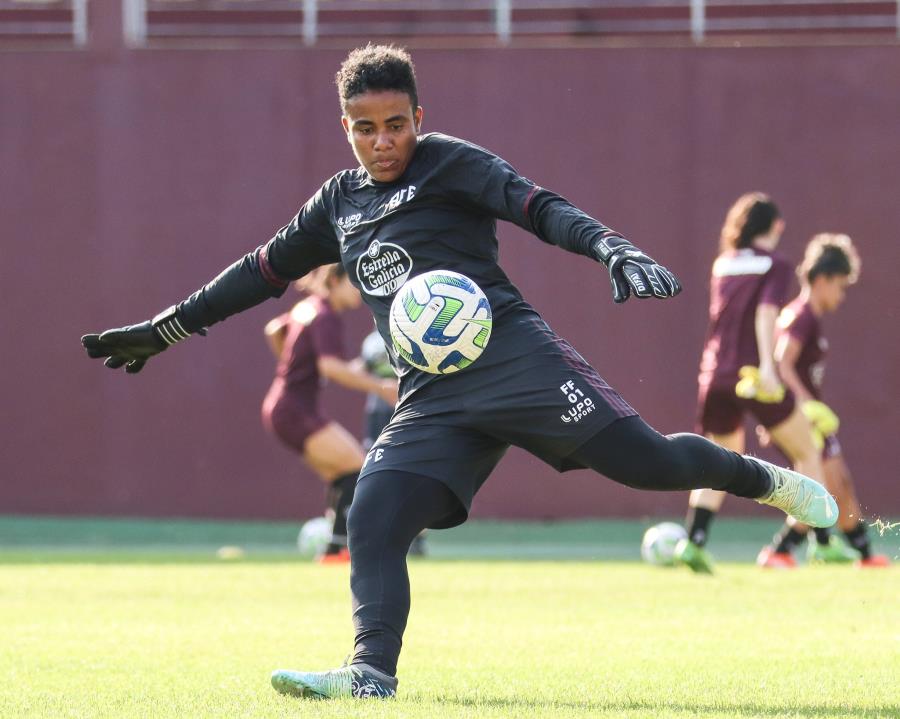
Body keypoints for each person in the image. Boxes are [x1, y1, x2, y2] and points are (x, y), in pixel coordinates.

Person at [81, 45, 837, 699]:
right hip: (434, 396)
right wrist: (166, 328)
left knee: (651, 465)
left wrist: (607, 245)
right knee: (373, 511)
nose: (384, 142)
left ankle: (769, 482)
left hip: (517, 361)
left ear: (418, 115)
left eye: (397, 124)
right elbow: (259, 272)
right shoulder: (337, 206)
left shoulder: (452, 163)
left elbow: (535, 206)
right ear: (345, 128)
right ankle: (370, 674)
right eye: (366, 128)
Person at [675, 193, 834, 573]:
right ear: (777, 226)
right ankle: (807, 540)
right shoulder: (777, 264)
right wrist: (767, 365)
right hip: (753, 375)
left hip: (714, 374)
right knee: (808, 451)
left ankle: (693, 542)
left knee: (719, 463)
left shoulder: (723, 263)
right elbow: (765, 313)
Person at [757, 234, 889, 567]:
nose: (841, 296)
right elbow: (781, 361)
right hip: (805, 419)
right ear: (822, 279)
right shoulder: (801, 315)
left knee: (833, 484)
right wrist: (804, 407)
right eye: (840, 286)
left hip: (802, 417)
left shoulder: (804, 316)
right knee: (824, 485)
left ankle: (843, 551)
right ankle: (788, 551)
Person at [261, 264, 397, 562]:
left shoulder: (308, 308)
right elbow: (330, 367)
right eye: (354, 283)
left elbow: (274, 329)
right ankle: (338, 548)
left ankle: (334, 550)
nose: (360, 290)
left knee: (342, 473)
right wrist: (381, 388)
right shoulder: (325, 316)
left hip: (286, 406)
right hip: (294, 410)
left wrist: (291, 368)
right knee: (358, 467)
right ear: (334, 281)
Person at [359, 328, 427, 556]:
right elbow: (363, 369)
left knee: (414, 472)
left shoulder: (416, 329)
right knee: (377, 472)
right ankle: (377, 531)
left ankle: (416, 536)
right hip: (379, 411)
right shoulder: (372, 341)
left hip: (410, 406)